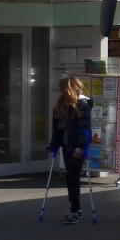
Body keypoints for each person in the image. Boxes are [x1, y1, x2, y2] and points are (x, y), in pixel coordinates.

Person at [44, 74, 94, 224]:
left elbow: (85, 128)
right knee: (70, 179)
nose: (61, 92)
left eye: (63, 89)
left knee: (73, 178)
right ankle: (74, 207)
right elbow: (58, 128)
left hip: (76, 148)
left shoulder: (82, 104)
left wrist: (81, 147)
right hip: (66, 146)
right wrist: (53, 144)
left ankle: (75, 209)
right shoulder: (62, 104)